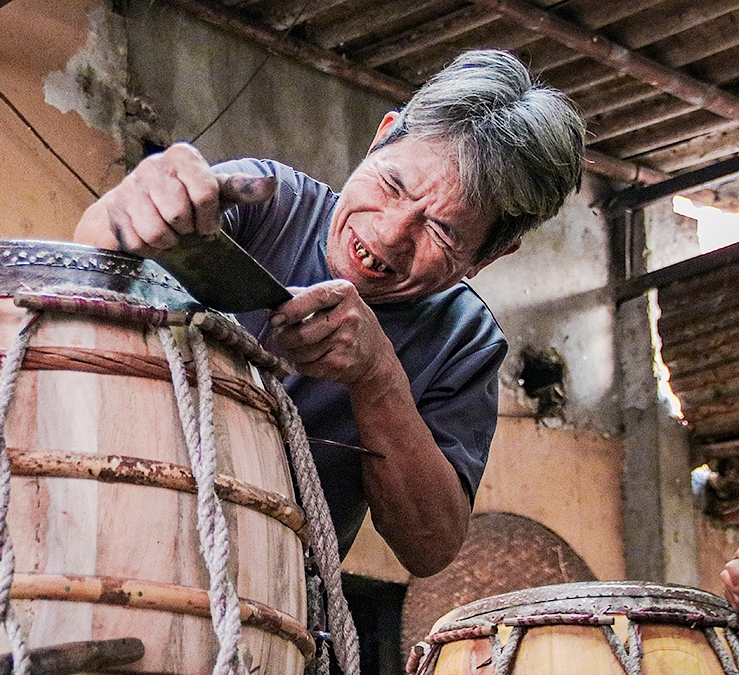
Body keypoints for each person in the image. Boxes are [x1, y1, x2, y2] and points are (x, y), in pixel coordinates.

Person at [74, 49, 585, 577]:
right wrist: (124, 210)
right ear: (381, 136)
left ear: (489, 257)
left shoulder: (465, 340)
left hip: (271, 595)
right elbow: (88, 268)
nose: (389, 234)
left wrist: (379, 378)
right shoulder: (266, 203)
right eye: (393, 185)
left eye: (443, 231)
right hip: (113, 522)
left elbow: (430, 549)